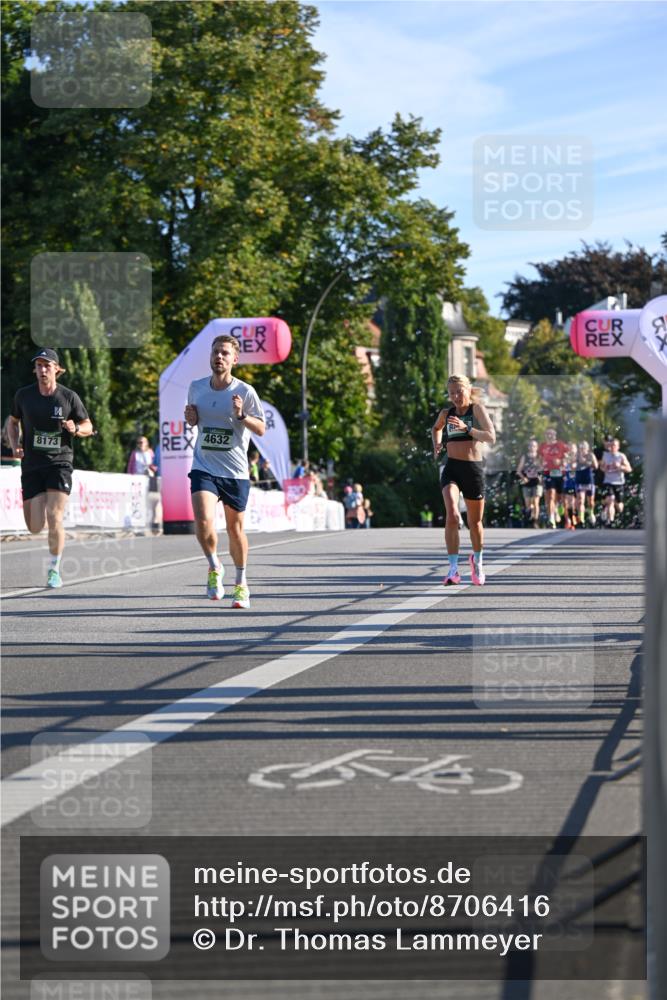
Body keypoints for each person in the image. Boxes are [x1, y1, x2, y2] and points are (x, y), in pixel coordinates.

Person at [183, 334, 265, 608]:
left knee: (235, 529)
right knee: (204, 520)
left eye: (225, 353)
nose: (219, 357)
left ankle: (241, 583)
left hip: (235, 470)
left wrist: (242, 416)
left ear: (234, 359)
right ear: (210, 356)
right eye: (216, 352)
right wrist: (192, 420)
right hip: (204, 465)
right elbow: (195, 421)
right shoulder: (196, 388)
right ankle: (214, 566)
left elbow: (261, 428)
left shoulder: (245, 391)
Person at [7, 348, 93, 588]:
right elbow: (12, 422)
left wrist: (75, 429)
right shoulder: (23, 396)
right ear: (35, 370)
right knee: (35, 527)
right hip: (32, 465)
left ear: (57, 369)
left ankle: (54, 568)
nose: (43, 370)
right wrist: (15, 445)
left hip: (59, 462)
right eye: (39, 366)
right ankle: (42, 511)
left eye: (47, 365)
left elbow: (87, 425)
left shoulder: (68, 397)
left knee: (54, 516)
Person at [432, 374, 496, 586]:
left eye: (460, 391)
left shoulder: (476, 410)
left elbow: (491, 436)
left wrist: (467, 428)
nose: (456, 397)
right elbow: (436, 429)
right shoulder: (446, 413)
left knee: (474, 522)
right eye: (452, 393)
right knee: (451, 514)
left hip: (473, 470)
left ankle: (477, 560)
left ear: (468, 390)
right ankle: (453, 569)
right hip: (452, 468)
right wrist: (437, 445)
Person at [538, 427, 569, 529]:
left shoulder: (560, 444)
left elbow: (569, 456)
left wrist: (561, 461)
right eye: (547, 434)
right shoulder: (542, 446)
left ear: (555, 435)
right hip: (548, 473)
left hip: (560, 473)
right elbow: (539, 459)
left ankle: (557, 511)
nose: (549, 436)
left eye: (551, 434)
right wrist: (540, 466)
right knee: (550, 496)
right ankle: (551, 518)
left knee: (560, 498)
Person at [600, 437, 632, 527]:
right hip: (608, 481)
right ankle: (610, 521)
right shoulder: (605, 455)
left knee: (620, 507)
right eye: (611, 445)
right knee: (611, 499)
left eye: (614, 445)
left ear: (618, 447)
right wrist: (604, 468)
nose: (612, 447)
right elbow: (601, 467)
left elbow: (629, 469)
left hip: (619, 483)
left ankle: (607, 506)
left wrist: (620, 467)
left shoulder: (621, 456)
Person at [516, 438, 543, 528]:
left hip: (537, 482)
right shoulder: (525, 457)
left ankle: (535, 521)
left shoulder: (539, 457)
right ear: (528, 447)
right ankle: (529, 518)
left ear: (537, 447)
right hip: (527, 482)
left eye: (534, 446)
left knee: (535, 502)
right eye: (531, 445)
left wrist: (540, 475)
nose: (532, 447)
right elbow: (518, 471)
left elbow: (542, 469)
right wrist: (524, 478)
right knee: (528, 504)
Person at [575, 440, 598, 527]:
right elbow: (571, 465)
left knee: (590, 501)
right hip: (579, 480)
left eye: (584, 448)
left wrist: (586, 462)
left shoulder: (591, 455)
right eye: (581, 448)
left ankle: (591, 513)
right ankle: (581, 519)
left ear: (587, 448)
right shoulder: (576, 456)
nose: (582, 449)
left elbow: (596, 466)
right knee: (580, 500)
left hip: (589, 480)